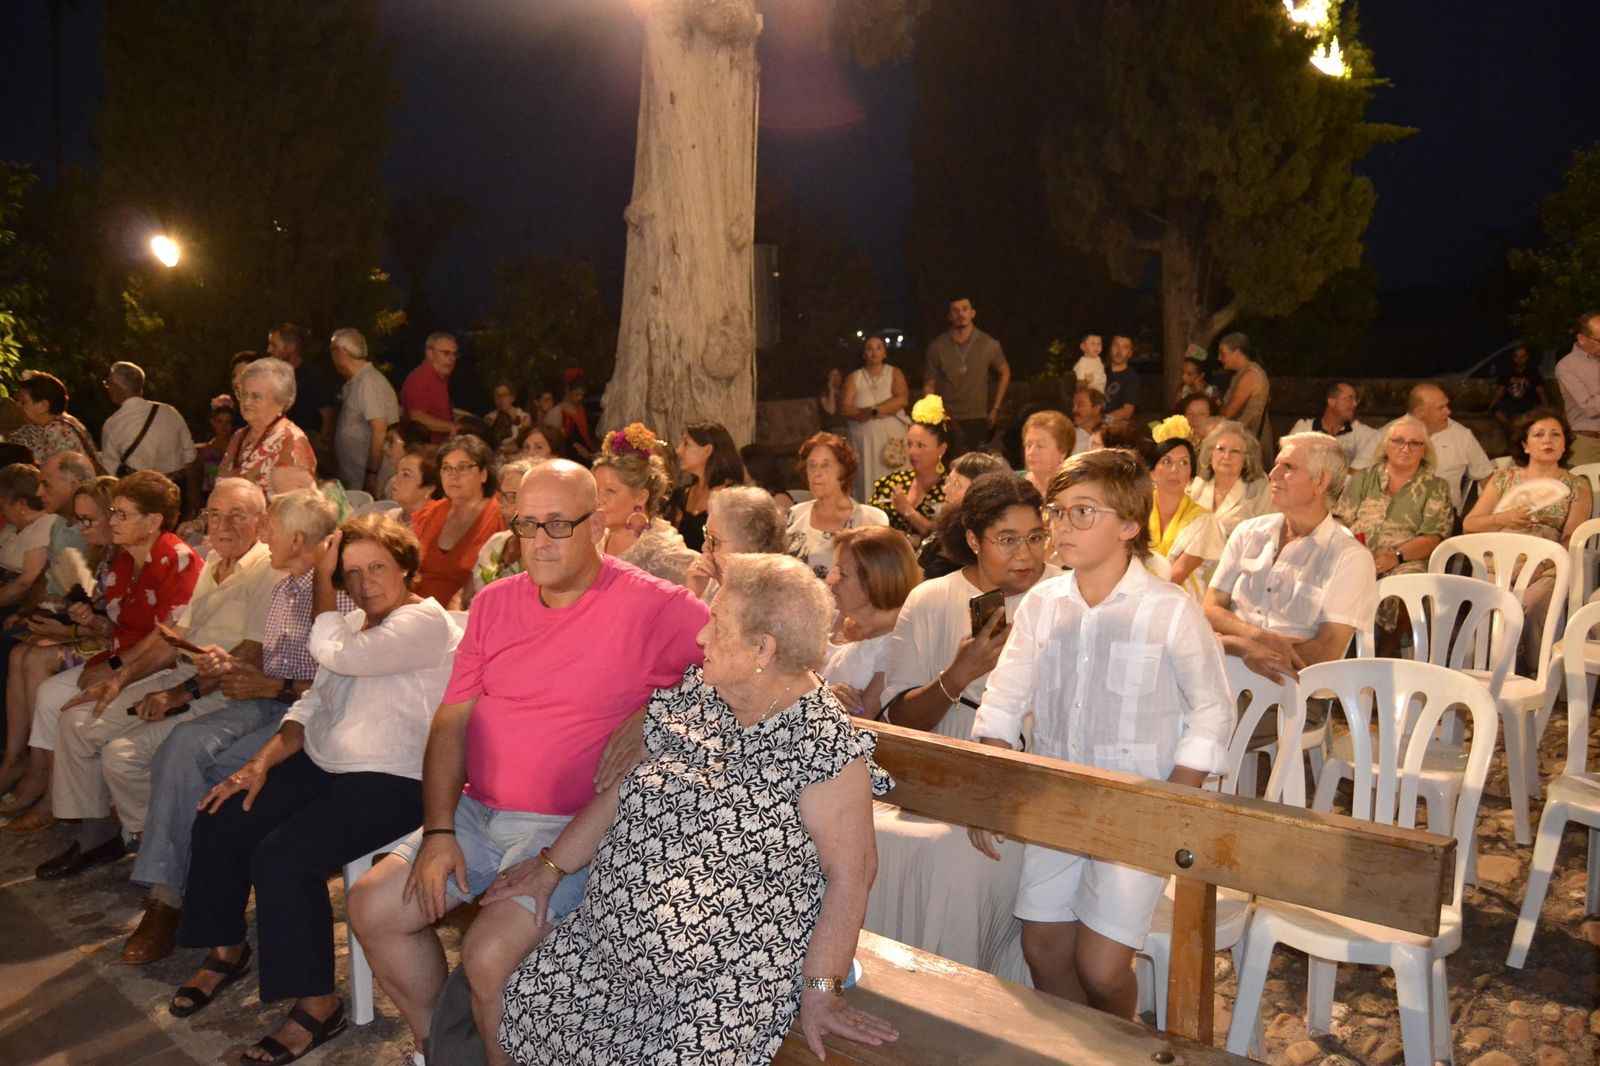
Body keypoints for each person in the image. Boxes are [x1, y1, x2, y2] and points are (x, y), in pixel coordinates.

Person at [344, 460, 709, 1064]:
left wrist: (659, 711)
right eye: (527, 523)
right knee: (373, 906)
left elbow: (746, 666)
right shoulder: (494, 603)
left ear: (597, 525)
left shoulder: (655, 606)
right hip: (475, 812)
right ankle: (442, 1049)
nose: (539, 541)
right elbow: (452, 719)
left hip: (568, 830)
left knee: (489, 953)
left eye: (560, 525)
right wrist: (438, 831)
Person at [495, 553, 897, 1064]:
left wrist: (820, 990)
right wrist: (551, 867)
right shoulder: (703, 696)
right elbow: (625, 791)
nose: (702, 637)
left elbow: (852, 874)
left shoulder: (820, 746)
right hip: (603, 954)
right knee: (532, 1001)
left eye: (717, 624)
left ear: (762, 649)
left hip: (710, 995)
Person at [171, 516, 463, 1064]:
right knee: (224, 810)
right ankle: (227, 947)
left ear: (405, 567)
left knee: (284, 858)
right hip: (324, 763)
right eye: (350, 573)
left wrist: (322, 581)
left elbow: (336, 655)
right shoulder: (350, 628)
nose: (365, 582)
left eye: (377, 567)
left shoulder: (425, 622)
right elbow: (310, 704)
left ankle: (317, 1003)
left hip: (394, 778)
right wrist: (258, 763)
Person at [970, 448, 1233, 1016]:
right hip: (1057, 797)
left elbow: (1213, 711)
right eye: (1057, 512)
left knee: (1102, 965)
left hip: (1138, 804)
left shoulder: (1168, 609)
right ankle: (1078, 1051)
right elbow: (1004, 697)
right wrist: (990, 781)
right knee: (1042, 946)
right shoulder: (1042, 603)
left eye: (1082, 513)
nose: (1061, 527)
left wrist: (1173, 797)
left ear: (1129, 526)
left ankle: (1122, 1044)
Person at [118, 488, 354, 965]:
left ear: (298, 537)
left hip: (303, 713)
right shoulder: (285, 584)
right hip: (270, 702)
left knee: (205, 773)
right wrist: (229, 669)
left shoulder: (339, 591)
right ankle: (170, 898)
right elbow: (265, 659)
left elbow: (339, 683)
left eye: (270, 526)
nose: (263, 534)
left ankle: (179, 903)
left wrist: (275, 685)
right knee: (183, 745)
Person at [34, 478, 278, 883]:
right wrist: (119, 680)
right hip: (185, 672)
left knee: (122, 756)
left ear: (262, 521)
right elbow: (172, 640)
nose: (223, 526)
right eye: (214, 515)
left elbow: (247, 656)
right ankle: (100, 836)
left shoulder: (267, 569)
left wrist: (177, 693)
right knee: (78, 721)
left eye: (238, 515)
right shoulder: (215, 562)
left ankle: (166, 860)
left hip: (226, 686)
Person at [865, 474, 1054, 981]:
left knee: (960, 857)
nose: (1027, 555)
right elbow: (895, 721)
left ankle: (965, 999)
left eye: (1036, 536)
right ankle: (895, 988)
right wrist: (961, 673)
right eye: (1008, 539)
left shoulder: (1062, 596)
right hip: (934, 781)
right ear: (974, 540)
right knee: (884, 837)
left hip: (1031, 785)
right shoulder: (930, 600)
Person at [9, 473, 200, 833]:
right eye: (112, 513)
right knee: (50, 696)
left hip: (160, 667)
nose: (112, 521)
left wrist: (114, 668)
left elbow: (167, 637)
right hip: (121, 656)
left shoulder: (175, 557)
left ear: (154, 521)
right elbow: (120, 627)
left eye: (122, 515)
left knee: (74, 713)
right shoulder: (125, 561)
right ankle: (59, 798)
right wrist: (94, 624)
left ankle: (89, 823)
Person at [1204, 432, 1376, 684]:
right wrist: (1252, 641)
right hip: (1221, 671)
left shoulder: (1349, 558)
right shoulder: (1248, 532)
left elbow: (1323, 654)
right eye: (1276, 465)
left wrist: (1241, 645)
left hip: (1289, 688)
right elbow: (1209, 609)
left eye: (1288, 467)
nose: (1272, 474)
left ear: (1321, 481)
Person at [1, 476, 116, 818]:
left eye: (87, 521)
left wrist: (68, 634)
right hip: (97, 637)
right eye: (78, 520)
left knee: (35, 658)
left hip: (111, 650)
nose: (80, 528)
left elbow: (120, 632)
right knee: (20, 653)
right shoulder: (105, 554)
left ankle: (44, 775)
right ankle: (17, 758)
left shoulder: (122, 557)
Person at [1462, 407, 1590, 667]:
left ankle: (1533, 669)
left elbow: (1572, 537)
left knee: (1533, 601)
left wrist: (1539, 566)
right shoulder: (1503, 479)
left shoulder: (1577, 485)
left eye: (1556, 435)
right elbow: (1470, 524)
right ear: (1525, 444)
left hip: (1548, 562)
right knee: (1487, 596)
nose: (1548, 441)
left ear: (1565, 445)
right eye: (1539, 434)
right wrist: (1502, 519)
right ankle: (1482, 667)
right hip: (1499, 558)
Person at [1334, 415, 1455, 645]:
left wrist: (1395, 556)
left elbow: (1433, 537)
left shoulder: (1434, 486)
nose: (1405, 448)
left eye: (1414, 443)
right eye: (1398, 441)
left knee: (1407, 588)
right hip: (1357, 555)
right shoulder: (1362, 478)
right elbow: (1340, 521)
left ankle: (1386, 654)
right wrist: (1356, 554)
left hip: (1405, 560)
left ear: (1424, 451)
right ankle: (1341, 652)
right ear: (1387, 446)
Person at [822, 526, 920, 719]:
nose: (829, 580)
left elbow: (865, 718)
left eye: (842, 573)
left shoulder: (899, 641)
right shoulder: (830, 615)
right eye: (833, 569)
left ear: (875, 581)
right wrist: (821, 696)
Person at [592, 423, 698, 586]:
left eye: (610, 491)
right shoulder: (591, 540)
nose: (599, 499)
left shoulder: (667, 555)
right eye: (595, 490)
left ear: (641, 497)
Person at [410, 434, 505, 606]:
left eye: (462, 468)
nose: (453, 476)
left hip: (466, 617)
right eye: (446, 468)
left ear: (483, 474)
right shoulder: (428, 513)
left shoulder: (500, 517)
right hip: (415, 613)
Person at [787, 433, 890, 579]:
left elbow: (879, 577)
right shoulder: (793, 516)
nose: (817, 473)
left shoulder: (870, 520)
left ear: (843, 470)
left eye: (825, 465)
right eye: (812, 465)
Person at [1147, 419, 1225, 598]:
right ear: (1152, 472)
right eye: (1167, 461)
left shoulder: (1204, 520)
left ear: (1191, 474)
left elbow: (1178, 573)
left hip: (1182, 600)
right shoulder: (1136, 511)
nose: (1175, 469)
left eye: (1184, 463)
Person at [923, 296, 1010, 452]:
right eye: (955, 311)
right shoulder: (938, 346)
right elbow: (929, 383)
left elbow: (1005, 372)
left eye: (964, 309)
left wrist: (995, 408)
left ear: (972, 313)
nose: (960, 314)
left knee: (976, 466)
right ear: (949, 316)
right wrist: (935, 413)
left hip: (978, 416)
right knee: (949, 464)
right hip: (948, 418)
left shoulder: (988, 343)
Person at [220, 357, 318, 493]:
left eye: (256, 396)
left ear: (280, 401)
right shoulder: (240, 435)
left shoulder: (291, 440)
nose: (246, 402)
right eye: (243, 394)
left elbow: (295, 504)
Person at [684, 484, 788, 603]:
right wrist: (692, 595)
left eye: (715, 541)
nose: (704, 547)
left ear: (750, 549)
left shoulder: (773, 603)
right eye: (706, 535)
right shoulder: (709, 585)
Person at [917, 450, 1010, 580]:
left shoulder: (968, 540)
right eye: (948, 480)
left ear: (979, 492)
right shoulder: (943, 523)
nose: (945, 489)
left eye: (956, 484)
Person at [330, 327, 400, 495]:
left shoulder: (368, 382)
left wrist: (371, 475)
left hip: (372, 484)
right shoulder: (358, 381)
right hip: (358, 480)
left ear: (341, 351)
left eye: (332, 350)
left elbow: (379, 431)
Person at [98, 361, 196, 481]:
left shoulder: (113, 424)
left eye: (109, 383)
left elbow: (109, 471)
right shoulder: (169, 412)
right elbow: (190, 455)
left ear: (117, 387)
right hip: (176, 486)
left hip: (141, 489)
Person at [870, 395, 950, 539]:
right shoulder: (893, 482)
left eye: (921, 446)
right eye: (910, 444)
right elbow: (869, 523)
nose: (912, 452)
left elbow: (945, 538)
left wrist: (907, 510)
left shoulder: (950, 490)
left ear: (941, 449)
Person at [1407, 383, 1494, 512]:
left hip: (1446, 516)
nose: (1448, 411)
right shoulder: (1389, 436)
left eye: (1447, 405)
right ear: (1419, 413)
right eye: (1440, 408)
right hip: (1399, 515)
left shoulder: (1462, 436)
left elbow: (1487, 477)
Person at [845, 335, 912, 497]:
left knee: (895, 480)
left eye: (878, 347)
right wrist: (867, 412)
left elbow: (901, 399)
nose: (874, 351)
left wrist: (872, 411)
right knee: (867, 478)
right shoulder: (855, 377)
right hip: (864, 441)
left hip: (891, 440)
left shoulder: (895, 373)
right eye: (869, 348)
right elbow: (846, 408)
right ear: (863, 354)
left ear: (884, 353)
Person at [1188, 420, 1274, 541]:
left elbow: (1267, 537)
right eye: (1221, 449)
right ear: (1210, 454)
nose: (1226, 456)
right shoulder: (1197, 486)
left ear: (1246, 460)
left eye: (1235, 451)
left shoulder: (1261, 490)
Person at [667, 421, 745, 552]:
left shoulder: (734, 495)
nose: (678, 450)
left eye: (686, 444)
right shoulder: (681, 495)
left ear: (708, 450)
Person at [466, 459, 534, 607]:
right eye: (501, 496)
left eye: (511, 496)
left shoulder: (542, 550)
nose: (502, 505)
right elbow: (465, 595)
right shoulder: (495, 542)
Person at [0, 463, 67, 609]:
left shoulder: (45, 524)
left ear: (20, 504)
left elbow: (26, 583)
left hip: (21, 606)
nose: (2, 513)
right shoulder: (12, 527)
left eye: (2, 506)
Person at [268, 323, 338, 458]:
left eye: (274, 345)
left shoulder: (312, 376)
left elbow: (328, 415)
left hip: (307, 445)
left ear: (291, 347)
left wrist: (321, 448)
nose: (269, 350)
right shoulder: (275, 376)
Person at [7, 371, 99, 465]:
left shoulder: (59, 431)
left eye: (23, 401)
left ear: (43, 406)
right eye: (17, 399)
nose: (17, 405)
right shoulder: (35, 426)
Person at [1289, 381, 1379, 470]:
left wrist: (1352, 474)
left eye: (1355, 399)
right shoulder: (1304, 429)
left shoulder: (1360, 432)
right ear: (1331, 402)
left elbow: (1380, 445)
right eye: (1349, 398)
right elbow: (1288, 461)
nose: (1355, 404)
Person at [1554, 311, 1600, 467]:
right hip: (1587, 443)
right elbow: (1590, 408)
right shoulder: (1567, 367)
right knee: (1585, 489)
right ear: (1582, 339)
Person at [1217, 333, 1272, 457]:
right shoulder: (1243, 373)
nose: (1219, 358)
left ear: (1237, 352)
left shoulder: (1250, 375)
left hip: (1250, 445)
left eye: (1223, 353)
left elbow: (1228, 413)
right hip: (1245, 441)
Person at [400, 332, 460, 442]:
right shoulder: (421, 378)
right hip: (426, 452)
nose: (452, 359)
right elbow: (417, 417)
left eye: (454, 354)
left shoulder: (438, 379)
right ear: (430, 353)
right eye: (446, 353)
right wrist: (454, 427)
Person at [1020, 408, 1074, 501]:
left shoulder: (1074, 489)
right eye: (1028, 445)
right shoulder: (1014, 484)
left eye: (1040, 446)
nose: (1031, 452)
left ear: (1063, 452)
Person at [191, 395, 236, 501]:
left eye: (228, 422)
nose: (224, 427)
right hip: (210, 496)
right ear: (213, 422)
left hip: (233, 494)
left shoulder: (237, 447)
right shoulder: (206, 450)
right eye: (220, 422)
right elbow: (197, 479)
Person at [1490, 344, 1547, 427]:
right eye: (1517, 357)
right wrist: (1490, 408)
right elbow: (1500, 391)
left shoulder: (1532, 371)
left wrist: (1546, 408)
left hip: (1528, 404)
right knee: (1499, 414)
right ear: (1513, 358)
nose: (1519, 360)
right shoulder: (1507, 371)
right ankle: (1512, 430)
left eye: (1522, 357)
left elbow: (1540, 392)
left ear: (1527, 357)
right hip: (1510, 404)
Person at [740, 443, 797, 520]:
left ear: (755, 466)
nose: (736, 467)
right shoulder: (741, 496)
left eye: (741, 463)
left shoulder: (778, 499)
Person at [388, 444, 442, 523]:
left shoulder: (435, 528)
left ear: (429, 489)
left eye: (406, 475)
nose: (393, 480)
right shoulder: (390, 517)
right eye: (396, 472)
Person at [553, 376, 596, 459]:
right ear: (569, 392)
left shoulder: (583, 410)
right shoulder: (559, 411)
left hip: (587, 451)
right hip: (568, 452)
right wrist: (575, 445)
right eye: (576, 394)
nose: (579, 398)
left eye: (582, 395)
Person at [484, 383, 532, 455]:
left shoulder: (524, 418)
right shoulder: (489, 418)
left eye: (504, 395)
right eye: (497, 395)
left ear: (512, 398)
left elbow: (524, 442)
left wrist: (504, 449)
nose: (501, 399)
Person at [1103, 335, 1140, 422]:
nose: (1119, 351)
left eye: (1125, 347)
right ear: (1110, 348)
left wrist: (1101, 421)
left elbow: (1127, 411)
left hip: (1115, 428)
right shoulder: (1100, 372)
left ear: (1130, 353)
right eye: (1116, 345)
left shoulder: (1132, 378)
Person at [1071, 387, 1105, 455]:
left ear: (1096, 409)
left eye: (1080, 405)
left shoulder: (1111, 434)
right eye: (1074, 405)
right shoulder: (1069, 436)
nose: (1074, 410)